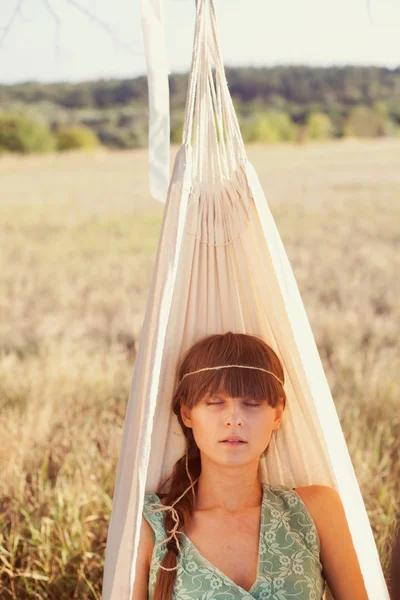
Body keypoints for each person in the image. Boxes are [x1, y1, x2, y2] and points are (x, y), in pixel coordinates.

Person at [132, 331, 368, 599]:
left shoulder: (316, 511)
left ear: (278, 414)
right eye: (215, 402)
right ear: (187, 413)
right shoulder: (151, 525)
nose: (234, 419)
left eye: (252, 403)